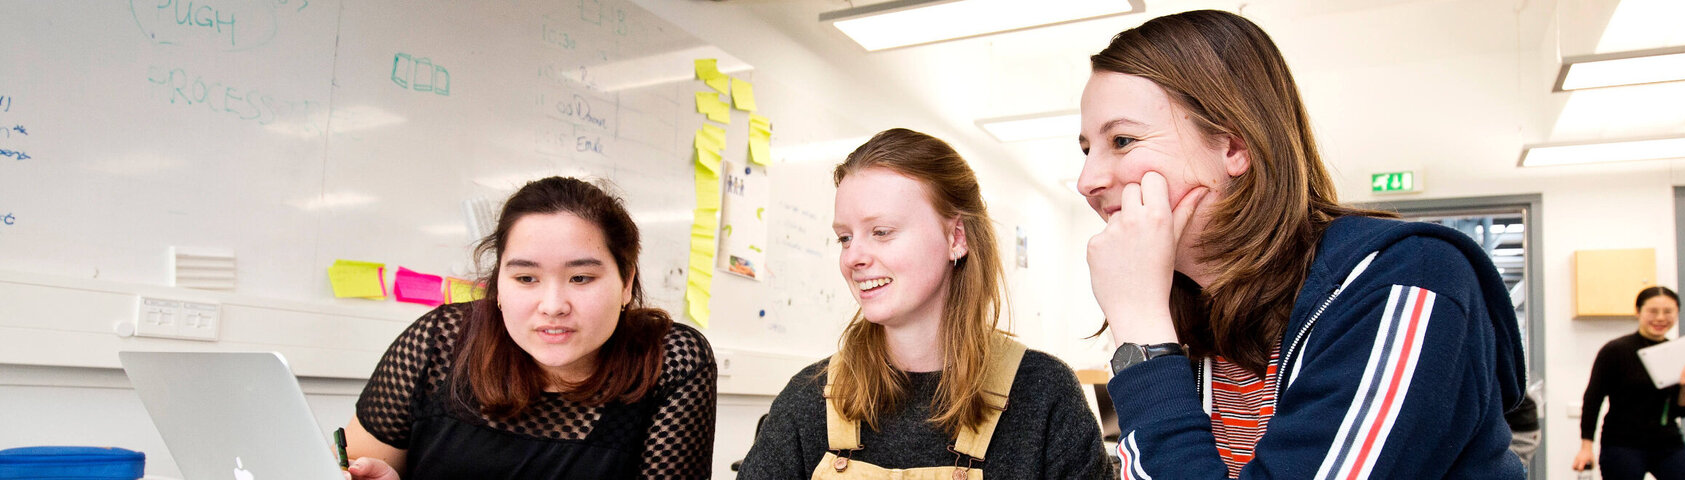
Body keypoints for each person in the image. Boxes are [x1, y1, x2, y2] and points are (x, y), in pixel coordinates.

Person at [1078, 10, 1528, 479]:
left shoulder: (1408, 280)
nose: (1087, 181)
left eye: (1123, 140)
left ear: (1234, 147)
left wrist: (1143, 343)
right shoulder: (1196, 311)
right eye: (1087, 149)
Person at [737, 128, 1112, 478]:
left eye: (881, 232)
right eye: (845, 238)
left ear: (956, 238)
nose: (853, 258)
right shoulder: (809, 398)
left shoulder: (1044, 394)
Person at [343, 176, 717, 480]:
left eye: (581, 277)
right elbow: (348, 464)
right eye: (525, 278)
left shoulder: (669, 361)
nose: (553, 306)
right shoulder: (441, 341)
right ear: (499, 285)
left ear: (625, 282)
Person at [1571, 286, 1685, 479]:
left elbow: (1682, 410)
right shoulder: (1615, 350)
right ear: (1638, 312)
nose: (1660, 318)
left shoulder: (1677, 352)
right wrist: (1586, 447)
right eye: (1652, 311)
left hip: (1668, 442)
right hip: (1621, 443)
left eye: (1668, 312)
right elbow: (1593, 399)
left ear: (1677, 314)